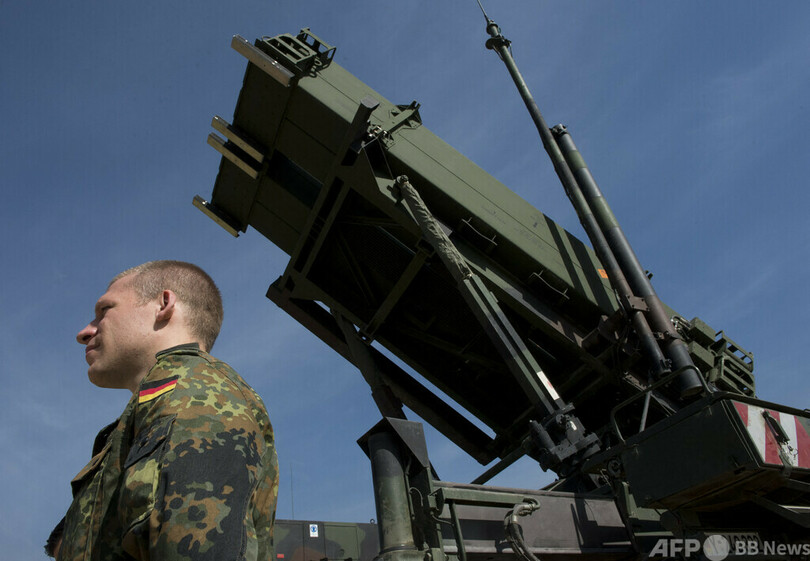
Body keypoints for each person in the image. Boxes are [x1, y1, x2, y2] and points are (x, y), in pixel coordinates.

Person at [48, 260, 278, 560]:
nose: (84, 332)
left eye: (104, 310)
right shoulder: (163, 402)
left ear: (163, 304)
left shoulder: (197, 393)